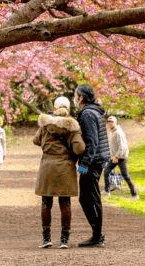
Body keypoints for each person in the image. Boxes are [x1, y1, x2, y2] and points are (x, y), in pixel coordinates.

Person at [33, 96, 86, 249]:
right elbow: (79, 148)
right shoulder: (72, 127)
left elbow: (36, 141)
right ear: (68, 108)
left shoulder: (45, 124)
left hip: (47, 166)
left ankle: (46, 238)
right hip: (65, 167)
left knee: (46, 203)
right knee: (65, 203)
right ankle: (64, 239)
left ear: (55, 108)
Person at [73, 84, 110, 247]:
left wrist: (83, 165)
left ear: (81, 97)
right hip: (97, 159)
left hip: (92, 161)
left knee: (89, 197)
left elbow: (92, 142)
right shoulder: (94, 111)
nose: (74, 98)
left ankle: (97, 236)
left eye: (76, 95)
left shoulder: (87, 113)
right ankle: (97, 234)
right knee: (89, 197)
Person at [103, 116, 138, 199]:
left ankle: (134, 194)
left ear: (115, 122)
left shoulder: (118, 132)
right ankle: (107, 190)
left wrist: (117, 156)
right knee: (106, 171)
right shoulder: (110, 132)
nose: (110, 123)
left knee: (125, 175)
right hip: (114, 157)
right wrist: (112, 156)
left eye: (111, 122)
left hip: (121, 157)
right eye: (108, 122)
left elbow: (123, 147)